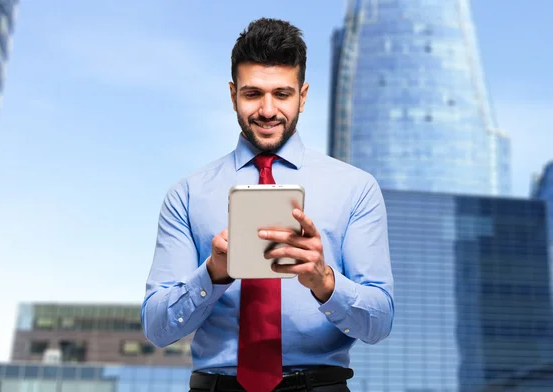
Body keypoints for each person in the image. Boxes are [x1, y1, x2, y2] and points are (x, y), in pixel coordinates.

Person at [142, 17, 394, 392]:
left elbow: (379, 324)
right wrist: (212, 273)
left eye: (282, 93)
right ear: (232, 95)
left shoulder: (356, 188)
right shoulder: (188, 194)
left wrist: (324, 281)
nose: (267, 110)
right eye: (252, 93)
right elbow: (157, 328)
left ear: (303, 96)